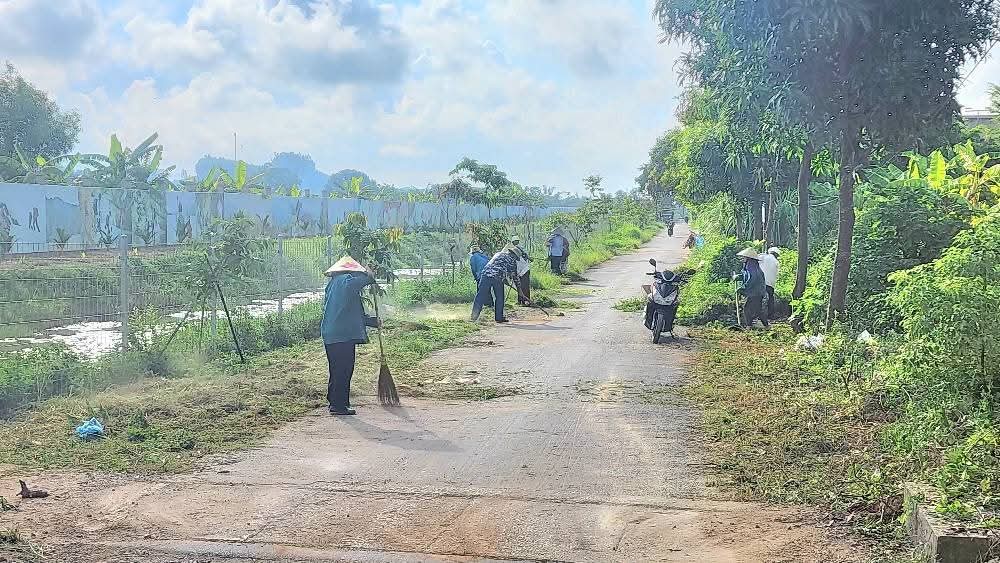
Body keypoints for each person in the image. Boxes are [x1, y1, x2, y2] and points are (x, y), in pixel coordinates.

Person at [321, 256, 381, 416]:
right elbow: (354, 284)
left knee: (337, 369)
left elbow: (347, 312)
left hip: (332, 333)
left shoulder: (332, 285)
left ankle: (336, 401)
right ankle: (338, 406)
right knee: (344, 369)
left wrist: (371, 322)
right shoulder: (344, 281)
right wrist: (368, 276)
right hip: (342, 335)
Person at [471, 245, 519, 323]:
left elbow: (496, 266)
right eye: (516, 258)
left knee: (480, 296)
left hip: (485, 275)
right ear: (513, 255)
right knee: (500, 297)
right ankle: (499, 317)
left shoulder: (498, 254)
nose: (515, 259)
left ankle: (473, 317)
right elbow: (515, 278)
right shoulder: (511, 261)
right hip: (497, 278)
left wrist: (505, 279)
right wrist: (520, 291)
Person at [735, 248, 768, 328]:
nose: (743, 258)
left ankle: (749, 326)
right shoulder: (749, 266)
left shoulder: (751, 266)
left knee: (747, 309)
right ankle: (765, 325)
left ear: (749, 258)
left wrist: (743, 288)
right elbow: (746, 275)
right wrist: (739, 277)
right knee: (758, 310)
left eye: (744, 257)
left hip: (756, 292)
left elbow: (752, 279)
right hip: (756, 292)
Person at [758, 247, 781, 321]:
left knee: (759, 298)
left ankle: (758, 315)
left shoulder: (763, 257)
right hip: (770, 283)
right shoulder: (776, 262)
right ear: (776, 255)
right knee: (770, 298)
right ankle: (770, 315)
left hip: (761, 281)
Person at [511, 236, 531, 305]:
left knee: (524, 286)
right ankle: (521, 301)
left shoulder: (517, 249)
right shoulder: (521, 248)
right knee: (520, 286)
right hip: (522, 270)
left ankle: (526, 301)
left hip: (524, 270)